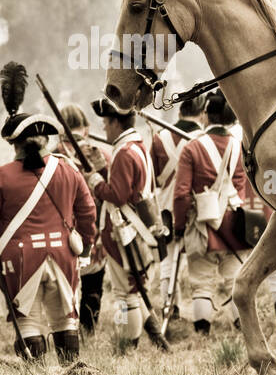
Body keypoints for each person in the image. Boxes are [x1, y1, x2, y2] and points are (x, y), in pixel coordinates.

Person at [0, 62, 97, 362]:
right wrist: (87, 246)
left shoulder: (2, 175)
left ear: (13, 144)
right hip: (64, 254)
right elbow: (88, 212)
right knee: (65, 319)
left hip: (21, 258)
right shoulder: (67, 170)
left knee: (28, 321)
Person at [80, 96, 168, 350]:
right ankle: (147, 337)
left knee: (125, 293)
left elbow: (117, 195)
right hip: (139, 228)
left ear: (116, 122)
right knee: (134, 288)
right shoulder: (137, 146)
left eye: (106, 123)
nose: (104, 128)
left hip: (125, 231)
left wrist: (95, 181)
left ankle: (127, 347)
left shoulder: (123, 153)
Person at [171, 90, 250, 335]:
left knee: (201, 284)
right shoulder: (240, 145)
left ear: (206, 115)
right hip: (236, 222)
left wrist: (180, 226)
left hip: (205, 224)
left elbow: (181, 194)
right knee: (235, 280)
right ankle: (243, 330)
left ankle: (202, 336)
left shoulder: (192, 148)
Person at [150, 95, 207, 324]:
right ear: (202, 113)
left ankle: (170, 311)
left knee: (167, 263)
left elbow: (153, 176)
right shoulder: (203, 139)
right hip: (194, 209)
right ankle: (202, 316)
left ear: (180, 112)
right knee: (199, 265)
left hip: (164, 206)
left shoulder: (158, 138)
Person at [59, 102, 111, 332]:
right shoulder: (102, 154)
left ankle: (65, 328)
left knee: (63, 284)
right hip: (95, 225)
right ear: (87, 128)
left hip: (62, 228)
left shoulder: (52, 155)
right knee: (93, 283)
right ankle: (88, 328)